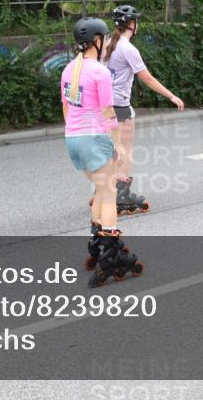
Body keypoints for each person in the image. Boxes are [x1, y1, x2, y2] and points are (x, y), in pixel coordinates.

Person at [61, 17, 143, 287]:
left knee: (99, 189)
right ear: (96, 41)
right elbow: (109, 112)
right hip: (94, 138)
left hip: (73, 138)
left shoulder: (69, 69)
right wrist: (118, 143)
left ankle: (97, 246)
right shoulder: (99, 72)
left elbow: (66, 108)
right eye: (106, 38)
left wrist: (76, 132)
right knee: (109, 193)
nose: (108, 42)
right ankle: (109, 258)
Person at [102, 4, 184, 216]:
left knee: (113, 150)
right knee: (125, 151)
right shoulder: (129, 49)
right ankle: (121, 195)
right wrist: (171, 96)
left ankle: (107, 190)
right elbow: (146, 78)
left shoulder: (109, 43)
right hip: (119, 106)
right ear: (131, 24)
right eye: (136, 21)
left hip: (103, 106)